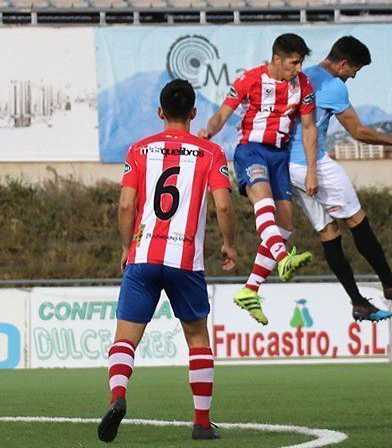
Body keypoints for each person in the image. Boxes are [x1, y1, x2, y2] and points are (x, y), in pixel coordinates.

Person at [98, 79, 237, 443]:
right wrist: (230, 244)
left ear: (160, 113)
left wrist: (127, 247)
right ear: (193, 113)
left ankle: (118, 397)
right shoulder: (210, 152)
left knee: (125, 339)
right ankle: (202, 422)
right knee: (197, 340)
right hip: (185, 262)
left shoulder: (139, 150)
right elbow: (223, 204)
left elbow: (126, 204)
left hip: (143, 257)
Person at [288, 36, 392, 322]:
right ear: (343, 64)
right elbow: (358, 132)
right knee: (357, 220)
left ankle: (358, 301)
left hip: (288, 169)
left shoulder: (303, 75)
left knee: (329, 233)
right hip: (313, 164)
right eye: (355, 71)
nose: (354, 76)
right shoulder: (333, 86)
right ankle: (389, 281)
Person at [198, 33, 319, 326]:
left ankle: (250, 290)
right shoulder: (249, 79)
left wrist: (312, 168)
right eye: (294, 62)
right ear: (276, 59)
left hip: (279, 157)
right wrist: (208, 132)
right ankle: (282, 258)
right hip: (251, 151)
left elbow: (308, 127)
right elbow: (222, 115)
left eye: (301, 62)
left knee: (286, 225)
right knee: (262, 201)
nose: (298, 68)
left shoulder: (302, 85)